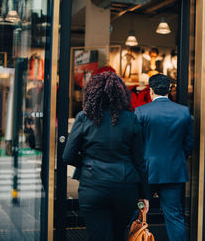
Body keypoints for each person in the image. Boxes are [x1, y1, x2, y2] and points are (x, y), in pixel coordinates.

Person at [63, 72, 149, 241]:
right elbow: (140, 161)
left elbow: (67, 156)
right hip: (125, 187)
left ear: (92, 93)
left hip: (93, 187)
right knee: (119, 235)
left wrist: (87, 163)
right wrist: (144, 194)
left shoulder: (84, 118)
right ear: (121, 94)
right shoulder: (130, 119)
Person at [135, 74, 193, 241]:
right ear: (169, 90)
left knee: (139, 213)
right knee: (175, 216)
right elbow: (188, 144)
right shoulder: (183, 112)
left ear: (151, 90)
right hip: (174, 171)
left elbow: (136, 145)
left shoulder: (141, 112)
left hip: (147, 171)